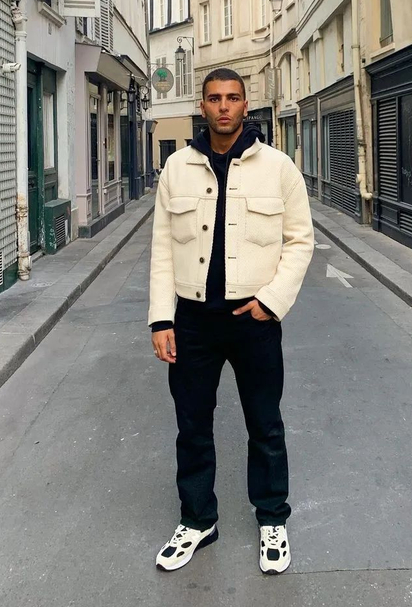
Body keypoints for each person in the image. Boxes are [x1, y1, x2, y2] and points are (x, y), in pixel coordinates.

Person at [148, 68, 314, 574]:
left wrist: (272, 301)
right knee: (192, 424)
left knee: (264, 423)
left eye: (233, 98)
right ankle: (198, 520)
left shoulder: (279, 167)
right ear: (202, 106)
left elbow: (300, 241)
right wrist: (161, 320)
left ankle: (272, 518)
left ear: (245, 104)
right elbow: (161, 249)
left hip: (254, 320)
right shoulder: (176, 167)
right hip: (193, 319)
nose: (224, 106)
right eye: (215, 98)